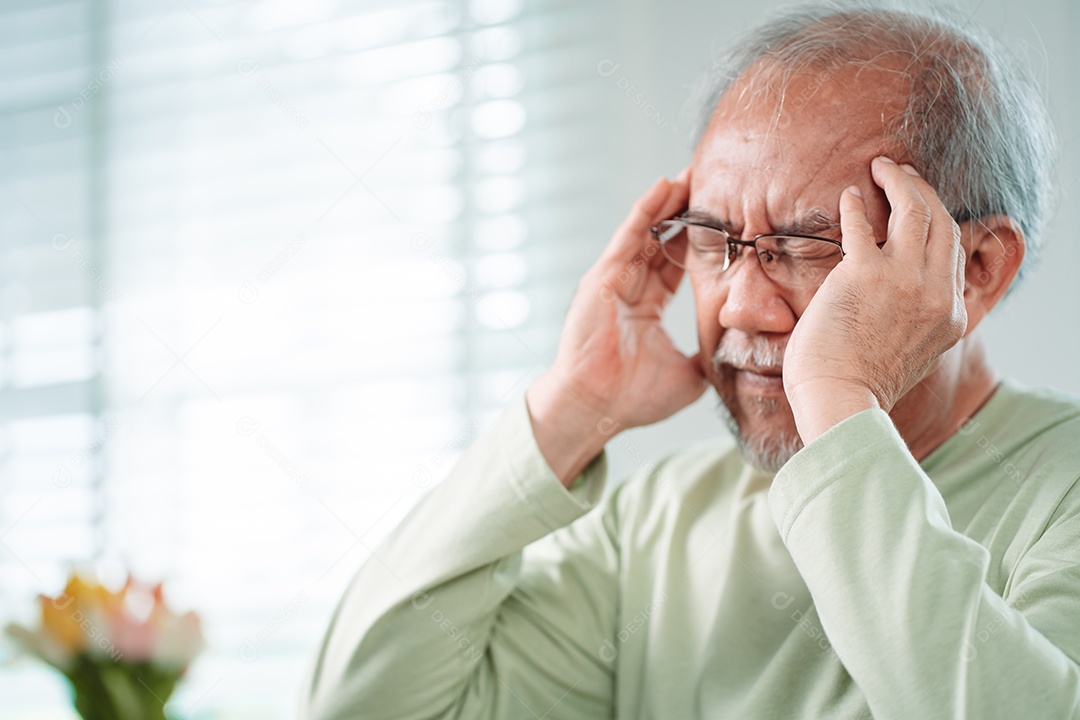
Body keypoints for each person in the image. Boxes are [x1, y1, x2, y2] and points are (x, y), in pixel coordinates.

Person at [300, 3, 1080, 718]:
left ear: (976, 268)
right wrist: (570, 409)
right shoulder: (654, 523)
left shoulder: (1063, 491)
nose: (740, 307)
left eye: (807, 244)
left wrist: (839, 398)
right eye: (715, 240)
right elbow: (363, 706)